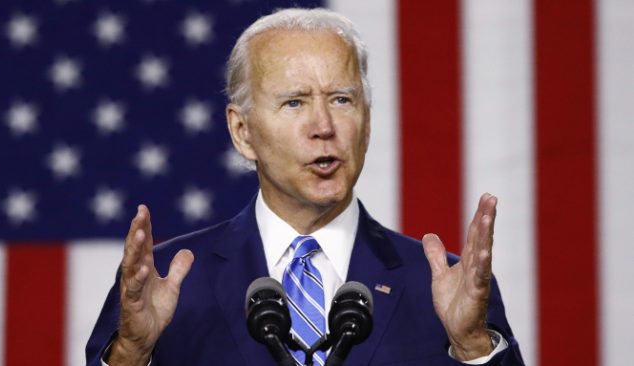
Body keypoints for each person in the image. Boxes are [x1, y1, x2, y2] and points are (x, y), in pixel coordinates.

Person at [86, 8, 524, 366]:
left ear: (366, 124)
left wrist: (472, 349)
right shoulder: (170, 282)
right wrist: (131, 353)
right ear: (242, 132)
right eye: (294, 102)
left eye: (341, 100)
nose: (324, 127)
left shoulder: (443, 286)